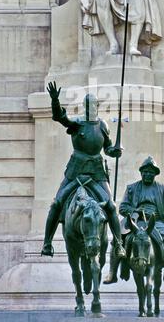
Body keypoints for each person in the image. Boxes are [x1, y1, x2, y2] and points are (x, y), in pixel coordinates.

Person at [41, 82, 126, 259]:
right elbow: (60, 118)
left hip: (97, 172)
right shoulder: (77, 123)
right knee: (57, 203)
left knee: (110, 206)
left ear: (97, 106)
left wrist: (114, 151)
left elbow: (107, 148)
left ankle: (118, 244)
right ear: (84, 106)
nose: (90, 108)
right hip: (76, 170)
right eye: (87, 105)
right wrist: (55, 101)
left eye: (93, 105)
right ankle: (47, 243)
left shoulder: (103, 125)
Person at [104, 156, 164, 288]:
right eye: (145, 172)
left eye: (151, 172)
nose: (148, 174)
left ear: (155, 174)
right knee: (117, 240)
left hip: (157, 222)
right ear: (141, 173)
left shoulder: (163, 189)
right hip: (135, 221)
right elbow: (123, 208)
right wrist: (136, 210)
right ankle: (112, 273)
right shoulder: (132, 188)